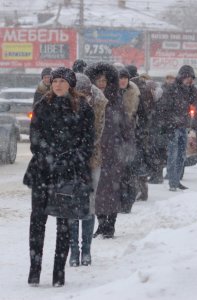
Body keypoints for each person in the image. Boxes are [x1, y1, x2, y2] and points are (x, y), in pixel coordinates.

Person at [23, 67, 95, 287]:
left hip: (68, 173)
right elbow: (34, 138)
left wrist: (71, 159)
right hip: (43, 170)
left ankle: (58, 273)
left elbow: (87, 142)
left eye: (62, 81)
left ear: (70, 84)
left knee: (63, 222)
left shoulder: (83, 108)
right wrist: (47, 155)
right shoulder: (42, 106)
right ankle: (34, 270)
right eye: (54, 81)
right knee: (37, 220)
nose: (57, 85)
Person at [85, 62, 129, 238]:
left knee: (111, 190)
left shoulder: (116, 100)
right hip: (96, 152)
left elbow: (125, 126)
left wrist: (126, 149)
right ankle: (101, 224)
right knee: (97, 192)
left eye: (104, 80)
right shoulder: (90, 101)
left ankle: (110, 225)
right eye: (98, 80)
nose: (102, 83)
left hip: (114, 152)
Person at [69, 73, 108, 266]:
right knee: (71, 206)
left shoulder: (100, 104)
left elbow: (100, 133)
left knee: (89, 203)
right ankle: (73, 251)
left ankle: (86, 250)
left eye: (85, 94)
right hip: (71, 161)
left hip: (92, 159)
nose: (82, 98)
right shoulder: (66, 104)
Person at [158, 65, 197, 191]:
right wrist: (169, 124)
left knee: (181, 155)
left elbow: (196, 102)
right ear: (181, 76)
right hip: (173, 127)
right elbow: (164, 108)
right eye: (187, 77)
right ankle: (172, 182)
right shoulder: (171, 89)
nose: (188, 80)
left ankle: (177, 180)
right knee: (173, 155)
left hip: (183, 126)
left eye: (191, 78)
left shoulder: (189, 90)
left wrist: (192, 88)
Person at [118, 68, 140, 213]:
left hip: (130, 137)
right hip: (115, 137)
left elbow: (142, 115)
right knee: (117, 173)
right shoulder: (112, 93)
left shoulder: (135, 93)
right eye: (120, 78)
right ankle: (119, 202)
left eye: (125, 78)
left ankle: (127, 202)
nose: (123, 80)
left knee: (128, 171)